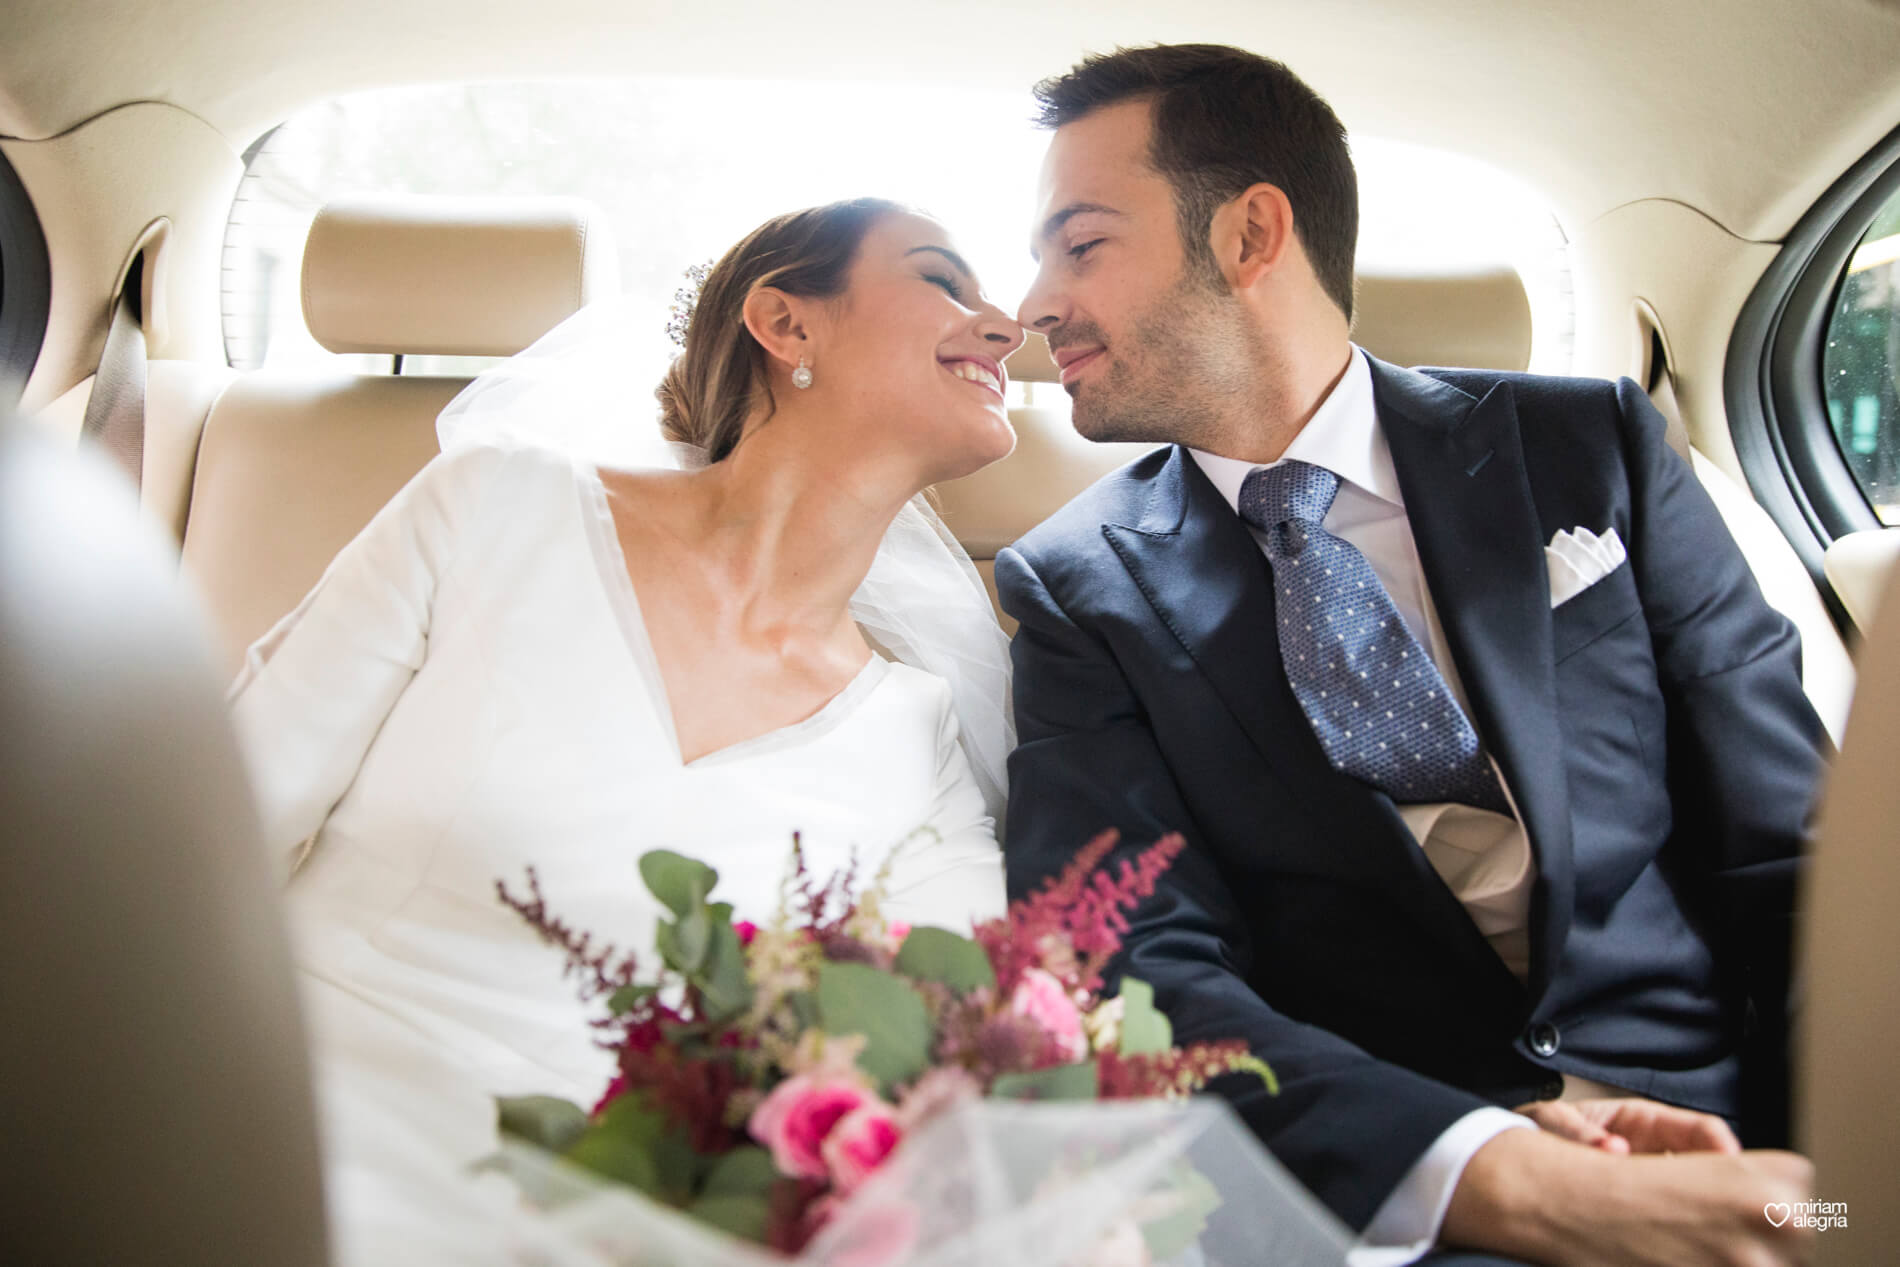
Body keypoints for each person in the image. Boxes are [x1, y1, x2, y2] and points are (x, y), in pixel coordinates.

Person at [999, 44, 1824, 1267]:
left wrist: (1847, 1151)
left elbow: (1788, 848)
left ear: (1249, 234)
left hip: (1742, 1143)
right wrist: (1483, 1170)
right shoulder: (1073, 586)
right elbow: (1134, 966)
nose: (1034, 306)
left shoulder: (1590, 446)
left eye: (1080, 246)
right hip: (1412, 1194)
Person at [227, 198, 1023, 1263]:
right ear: (787, 327)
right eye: (942, 279)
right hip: (268, 1155)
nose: (1005, 322)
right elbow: (212, 846)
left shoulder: (919, 740)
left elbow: (953, 1070)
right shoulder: (496, 507)